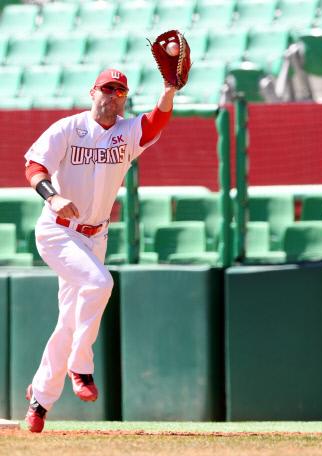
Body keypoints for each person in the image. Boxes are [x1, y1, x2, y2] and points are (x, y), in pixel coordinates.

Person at [23, 68, 177, 432]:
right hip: (57, 231)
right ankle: (81, 366)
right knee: (100, 284)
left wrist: (169, 89)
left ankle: (40, 400)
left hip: (95, 237)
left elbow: (156, 122)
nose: (113, 95)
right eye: (107, 88)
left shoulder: (127, 133)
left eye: (120, 90)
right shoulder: (68, 128)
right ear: (92, 92)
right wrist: (53, 196)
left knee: (69, 321)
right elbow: (34, 165)